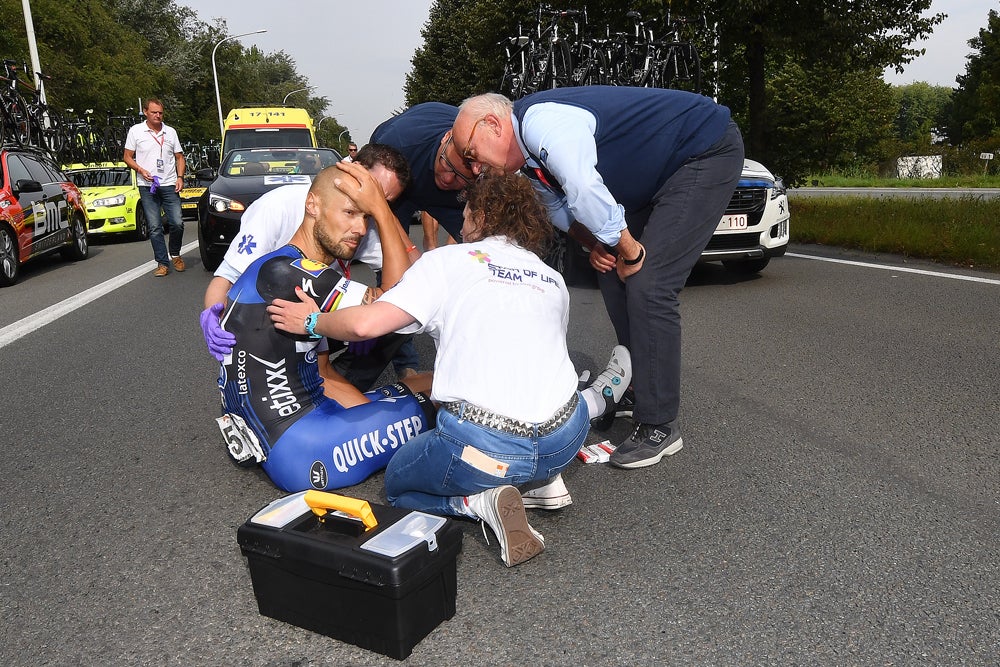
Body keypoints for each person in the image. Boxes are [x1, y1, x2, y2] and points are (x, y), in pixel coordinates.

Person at [267, 173, 633, 567]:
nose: (461, 223)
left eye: (466, 212)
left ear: (482, 214)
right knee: (545, 408)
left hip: (485, 448)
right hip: (565, 438)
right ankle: (543, 476)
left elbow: (365, 326)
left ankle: (479, 501)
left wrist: (311, 322)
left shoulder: (447, 261)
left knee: (398, 485)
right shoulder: (551, 277)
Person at [451, 87, 744, 470]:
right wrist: (598, 246)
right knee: (608, 272)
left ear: (492, 123)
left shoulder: (540, 122)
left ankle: (659, 423)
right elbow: (559, 208)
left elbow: (583, 187)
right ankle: (638, 382)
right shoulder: (526, 165)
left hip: (702, 150)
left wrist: (629, 249)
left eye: (471, 155)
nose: (475, 169)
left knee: (648, 282)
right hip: (655, 173)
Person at [216, 162, 436, 493]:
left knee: (433, 383)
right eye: (350, 213)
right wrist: (381, 209)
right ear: (313, 205)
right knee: (454, 398)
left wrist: (372, 415)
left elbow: (321, 374)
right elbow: (395, 303)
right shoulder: (295, 271)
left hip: (278, 433)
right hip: (305, 449)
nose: (361, 229)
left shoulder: (275, 265)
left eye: (367, 218)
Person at [201, 144, 417, 389]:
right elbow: (227, 277)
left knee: (394, 322)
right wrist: (216, 317)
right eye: (374, 192)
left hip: (324, 307)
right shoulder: (276, 207)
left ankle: (337, 382)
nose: (373, 205)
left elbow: (403, 292)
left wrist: (383, 214)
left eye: (385, 202)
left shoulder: (365, 221)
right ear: (352, 170)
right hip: (274, 317)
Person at [369, 102, 476, 242]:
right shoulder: (398, 142)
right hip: (401, 180)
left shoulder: (487, 168)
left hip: (448, 199)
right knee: (394, 244)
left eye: (460, 176)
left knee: (477, 239)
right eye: (447, 164)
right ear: (446, 137)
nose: (448, 178)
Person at [123, 98, 186, 277]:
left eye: (160, 113)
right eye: (154, 112)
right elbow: (127, 156)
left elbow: (180, 157)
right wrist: (140, 169)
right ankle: (162, 263)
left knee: (177, 223)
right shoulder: (136, 131)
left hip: (169, 183)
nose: (158, 115)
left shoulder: (170, 132)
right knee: (154, 226)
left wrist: (180, 177)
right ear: (146, 112)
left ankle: (175, 253)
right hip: (147, 185)